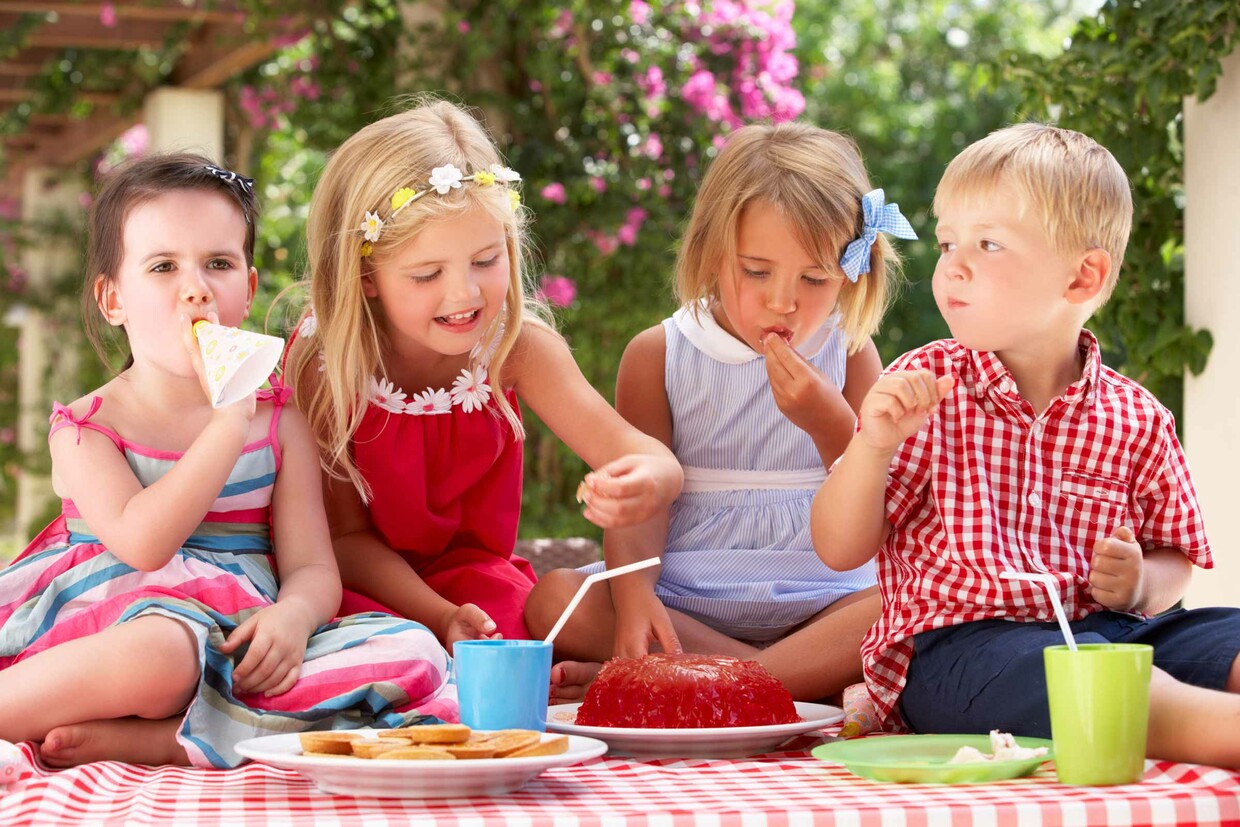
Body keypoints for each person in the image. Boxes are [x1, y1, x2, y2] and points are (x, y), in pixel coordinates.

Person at [0, 154, 455, 769]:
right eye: (164, 266)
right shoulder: (89, 426)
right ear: (113, 300)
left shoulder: (281, 424)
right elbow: (144, 543)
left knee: (413, 653)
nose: (197, 287)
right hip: (114, 629)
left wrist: (294, 618)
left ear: (248, 288)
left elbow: (313, 566)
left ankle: (160, 739)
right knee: (165, 655)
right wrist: (227, 421)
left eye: (219, 264)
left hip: (240, 636)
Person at [814, 123, 1240, 767]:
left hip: (1110, 630)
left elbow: (1173, 559)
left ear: (1081, 279)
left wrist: (1139, 586)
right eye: (948, 240)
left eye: (988, 244)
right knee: (1095, 681)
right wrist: (871, 449)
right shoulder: (925, 387)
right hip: (957, 651)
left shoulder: (1137, 415)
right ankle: (1216, 728)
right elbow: (838, 548)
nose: (952, 264)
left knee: (1218, 635)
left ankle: (1194, 708)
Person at [525, 122, 916, 702]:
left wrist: (827, 419)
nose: (782, 301)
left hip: (824, 594)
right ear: (712, 251)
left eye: (814, 278)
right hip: (690, 597)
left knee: (906, 602)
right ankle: (775, 683)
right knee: (554, 597)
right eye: (757, 271)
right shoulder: (658, 353)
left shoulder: (850, 352)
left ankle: (700, 684)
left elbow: (877, 500)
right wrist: (634, 600)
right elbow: (642, 505)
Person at [282, 100, 683, 650]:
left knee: (552, 619)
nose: (464, 294)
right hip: (364, 590)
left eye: (486, 260)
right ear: (365, 276)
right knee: (375, 660)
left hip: (482, 593)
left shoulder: (516, 350)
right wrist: (439, 617)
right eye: (427, 274)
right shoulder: (324, 364)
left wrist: (648, 481)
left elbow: (642, 454)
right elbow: (343, 541)